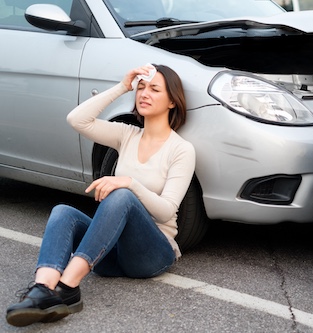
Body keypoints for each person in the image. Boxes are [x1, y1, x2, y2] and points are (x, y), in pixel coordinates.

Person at [5, 64, 196, 327]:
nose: (144, 93)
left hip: (151, 254)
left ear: (172, 101)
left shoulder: (182, 150)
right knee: (63, 212)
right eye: (141, 87)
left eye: (154, 89)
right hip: (110, 253)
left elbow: (166, 210)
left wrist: (129, 183)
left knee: (122, 195)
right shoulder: (127, 135)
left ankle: (68, 287)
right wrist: (122, 86)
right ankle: (42, 290)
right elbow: (77, 120)